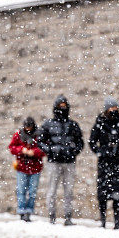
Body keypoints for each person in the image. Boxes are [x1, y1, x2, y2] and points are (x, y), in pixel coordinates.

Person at [38, 95, 84, 225]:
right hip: (54, 162)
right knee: (52, 190)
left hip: (69, 162)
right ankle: (52, 216)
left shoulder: (73, 125)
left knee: (68, 191)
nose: (62, 109)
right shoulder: (48, 124)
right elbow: (40, 141)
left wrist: (73, 151)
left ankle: (68, 217)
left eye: (64, 106)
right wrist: (51, 150)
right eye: (60, 106)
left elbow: (80, 142)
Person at [89, 97, 119, 229]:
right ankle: (103, 221)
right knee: (104, 192)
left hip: (118, 162)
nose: (113, 111)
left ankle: (117, 221)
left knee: (117, 192)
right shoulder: (100, 123)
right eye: (111, 109)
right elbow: (92, 141)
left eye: (115, 108)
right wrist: (102, 152)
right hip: (105, 163)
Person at [9, 117, 45, 221]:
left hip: (35, 167)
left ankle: (29, 211)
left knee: (32, 192)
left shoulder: (39, 135)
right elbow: (12, 147)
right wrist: (21, 150)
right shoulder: (18, 135)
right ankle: (21, 211)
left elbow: (44, 149)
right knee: (21, 190)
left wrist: (34, 152)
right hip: (22, 167)